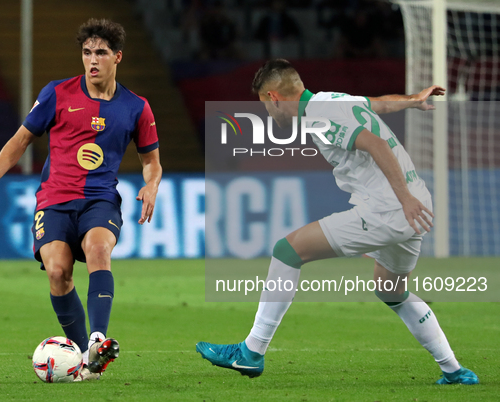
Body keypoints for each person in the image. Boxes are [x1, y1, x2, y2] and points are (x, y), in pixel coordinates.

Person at [196, 59, 479, 385]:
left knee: (287, 251)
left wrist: (402, 199)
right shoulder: (331, 99)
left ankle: (252, 351)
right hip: (416, 203)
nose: (269, 114)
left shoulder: (318, 116)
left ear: (274, 97)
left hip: (391, 207)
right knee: (392, 290)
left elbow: (373, 144)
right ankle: (454, 371)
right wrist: (413, 99)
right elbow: (378, 104)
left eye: (265, 106)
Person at [0, 19, 162, 381]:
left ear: (117, 57)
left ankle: (98, 338)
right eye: (87, 53)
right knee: (58, 273)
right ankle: (84, 358)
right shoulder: (57, 93)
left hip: (100, 200)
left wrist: (151, 185)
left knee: (98, 251)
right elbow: (22, 139)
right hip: (55, 200)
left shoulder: (137, 107)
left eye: (101, 53)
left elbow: (152, 162)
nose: (92, 60)